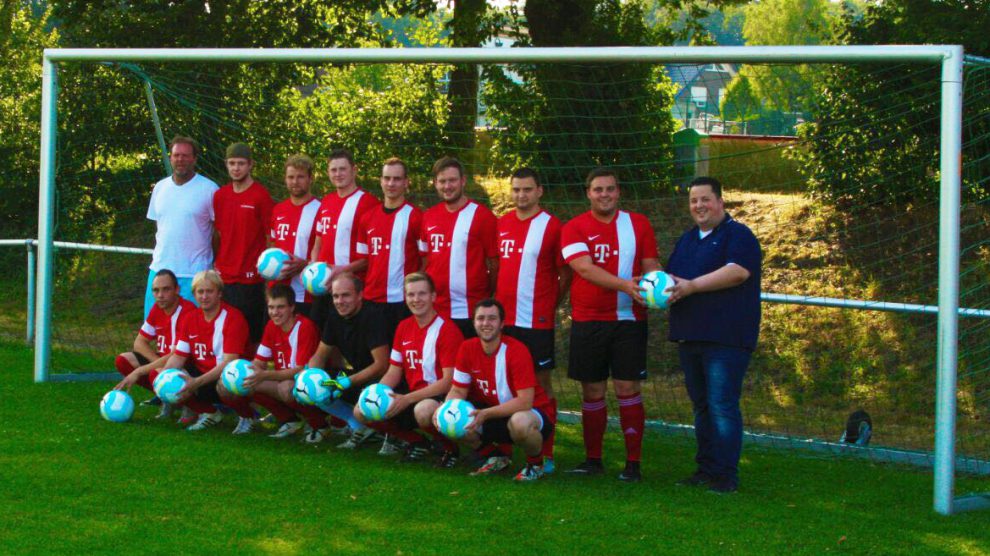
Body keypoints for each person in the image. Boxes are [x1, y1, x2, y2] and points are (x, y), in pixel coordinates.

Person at [560, 167, 659, 482]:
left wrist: (652, 284)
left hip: (629, 320)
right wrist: (626, 285)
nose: (604, 194)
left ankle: (633, 463)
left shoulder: (638, 224)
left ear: (619, 192)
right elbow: (585, 270)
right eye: (598, 189)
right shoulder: (574, 227)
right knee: (592, 390)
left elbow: (651, 265)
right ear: (588, 193)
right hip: (589, 320)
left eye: (610, 189)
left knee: (628, 387)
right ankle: (593, 459)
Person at [665, 176, 762, 494]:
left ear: (721, 201)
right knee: (702, 405)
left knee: (722, 404)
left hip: (726, 338)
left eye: (705, 199)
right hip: (690, 336)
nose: (699, 205)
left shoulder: (739, 235)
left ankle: (725, 476)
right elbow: (672, 278)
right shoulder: (688, 239)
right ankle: (705, 469)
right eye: (694, 200)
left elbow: (737, 272)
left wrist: (691, 286)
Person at [496, 167, 570, 472]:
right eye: (516, 190)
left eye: (527, 189)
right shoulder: (501, 223)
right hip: (504, 320)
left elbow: (565, 272)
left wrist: (550, 304)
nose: (520, 195)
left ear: (539, 191)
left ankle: (546, 451)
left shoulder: (552, 226)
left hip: (535, 320)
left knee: (540, 386)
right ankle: (501, 449)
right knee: (502, 383)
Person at [354, 272, 464, 466]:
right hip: (410, 394)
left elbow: (449, 381)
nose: (416, 299)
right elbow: (394, 371)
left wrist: (407, 399)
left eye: (422, 294)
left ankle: (449, 448)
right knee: (361, 410)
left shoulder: (447, 330)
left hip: (438, 396)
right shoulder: (403, 326)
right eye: (411, 295)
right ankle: (417, 442)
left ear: (433, 297)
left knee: (423, 411)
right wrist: (377, 393)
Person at [440, 299, 555, 481]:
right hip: (493, 413)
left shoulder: (517, 351)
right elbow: (458, 390)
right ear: (474, 323)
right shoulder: (467, 347)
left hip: (530, 413)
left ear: (502, 324)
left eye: (492, 318)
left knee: (519, 423)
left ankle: (536, 464)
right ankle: (494, 457)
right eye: (481, 318)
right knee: (450, 418)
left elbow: (525, 401)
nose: (486, 323)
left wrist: (486, 414)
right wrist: (445, 410)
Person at [148, 270, 250, 432]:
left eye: (209, 291)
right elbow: (179, 356)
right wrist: (164, 375)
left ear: (219, 294)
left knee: (226, 384)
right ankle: (209, 413)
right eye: (200, 292)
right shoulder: (191, 318)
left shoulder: (233, 318)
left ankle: (248, 416)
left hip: (225, 378)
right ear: (194, 294)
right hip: (201, 377)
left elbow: (229, 362)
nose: (204, 296)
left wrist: (196, 382)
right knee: (160, 374)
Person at [306, 272, 390, 448]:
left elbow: (382, 365)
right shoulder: (334, 316)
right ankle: (359, 426)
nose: (339, 301)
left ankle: (390, 434)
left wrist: (345, 383)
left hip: (384, 381)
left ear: (360, 295)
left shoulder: (372, 316)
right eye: (335, 296)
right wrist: (307, 379)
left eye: (345, 295)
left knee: (339, 386)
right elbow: (320, 356)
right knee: (316, 385)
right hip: (357, 377)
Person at [237, 284, 328, 442]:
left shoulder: (305, 327)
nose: (274, 312)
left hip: (310, 383)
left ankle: (320, 424)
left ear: (292, 307)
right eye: (271, 307)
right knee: (245, 382)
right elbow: (259, 361)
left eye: (280, 307)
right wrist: (247, 372)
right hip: (284, 380)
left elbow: (300, 370)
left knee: (286, 388)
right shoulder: (271, 326)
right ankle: (289, 420)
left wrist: (264, 374)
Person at [419, 156, 498, 338]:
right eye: (442, 181)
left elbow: (495, 264)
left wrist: (485, 293)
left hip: (471, 310)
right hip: (436, 309)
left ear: (463, 181)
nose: (447, 186)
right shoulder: (428, 216)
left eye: (452, 180)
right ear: (435, 183)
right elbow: (425, 260)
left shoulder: (483, 217)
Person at [144, 136, 219, 317]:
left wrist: (212, 262)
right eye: (176, 155)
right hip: (160, 271)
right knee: (155, 331)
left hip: (194, 274)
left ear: (194, 159)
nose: (180, 160)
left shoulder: (209, 189)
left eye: (185, 156)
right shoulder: (160, 188)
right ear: (170, 157)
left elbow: (218, 232)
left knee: (192, 335)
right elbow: (160, 227)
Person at [310, 149, 380, 333]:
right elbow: (318, 242)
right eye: (333, 170)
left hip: (350, 287)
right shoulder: (326, 201)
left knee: (352, 342)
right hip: (323, 285)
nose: (338, 174)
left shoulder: (368, 203)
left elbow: (372, 255)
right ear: (327, 173)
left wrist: (343, 270)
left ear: (354, 170)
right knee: (323, 336)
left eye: (343, 169)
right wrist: (313, 271)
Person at [354, 157, 423, 339]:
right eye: (387, 178)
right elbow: (363, 261)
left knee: (400, 359)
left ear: (406, 182)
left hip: (403, 301)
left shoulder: (415, 217)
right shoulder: (367, 218)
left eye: (397, 179)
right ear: (381, 181)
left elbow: (425, 261)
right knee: (372, 360)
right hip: (372, 299)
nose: (391, 183)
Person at [212, 142, 274, 345]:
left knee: (252, 334)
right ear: (226, 165)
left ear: (250, 165)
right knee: (227, 333)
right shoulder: (220, 196)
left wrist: (266, 272)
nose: (236, 168)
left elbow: (269, 237)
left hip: (250, 279)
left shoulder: (261, 195)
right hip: (225, 277)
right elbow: (218, 233)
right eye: (231, 163)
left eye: (240, 163)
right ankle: (226, 374)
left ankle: (253, 374)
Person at [114, 269, 196, 414]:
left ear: (177, 289)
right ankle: (165, 397)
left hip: (186, 364)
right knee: (123, 360)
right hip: (164, 360)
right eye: (156, 290)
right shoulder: (157, 308)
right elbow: (139, 343)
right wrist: (156, 362)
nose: (160, 295)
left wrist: (147, 369)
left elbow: (177, 355)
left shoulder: (188, 311)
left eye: (166, 289)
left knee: (156, 373)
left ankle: (190, 405)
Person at [269, 154, 322, 316]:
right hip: (277, 294)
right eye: (290, 177)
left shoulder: (321, 209)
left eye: (300, 177)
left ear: (310, 178)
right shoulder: (278, 209)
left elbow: (326, 251)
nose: (295, 181)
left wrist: (305, 264)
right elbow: (272, 246)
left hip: (306, 295)